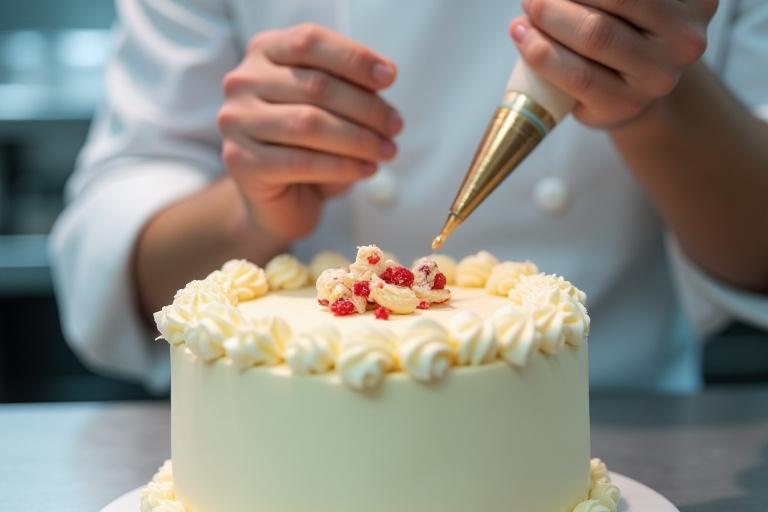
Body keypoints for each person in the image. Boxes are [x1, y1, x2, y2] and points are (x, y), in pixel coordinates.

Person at [50, 0, 768, 393]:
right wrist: (248, 208)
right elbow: (121, 268)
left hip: (619, 432)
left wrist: (651, 100)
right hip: (294, 451)